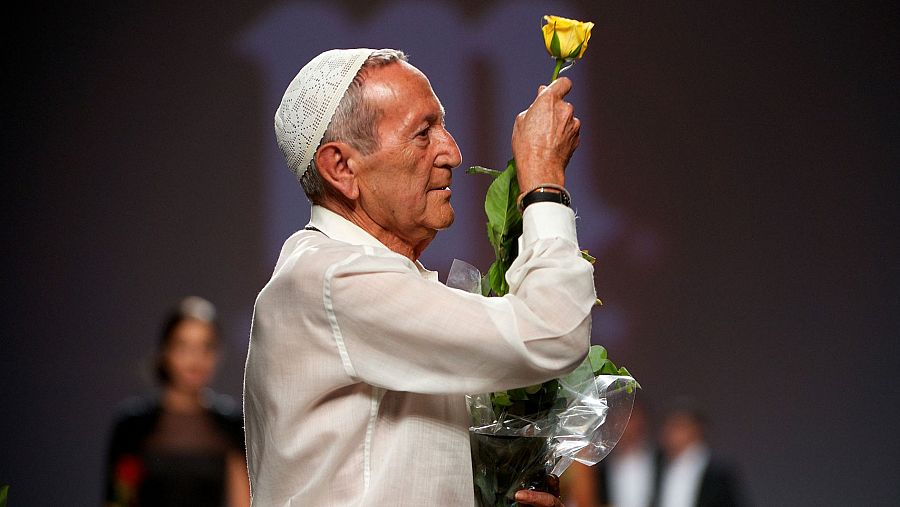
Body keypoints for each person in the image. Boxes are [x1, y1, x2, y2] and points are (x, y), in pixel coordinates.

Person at [243, 48, 593, 506]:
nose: (452, 151)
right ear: (341, 168)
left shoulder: (363, 277)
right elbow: (552, 330)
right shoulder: (331, 277)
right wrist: (543, 179)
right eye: (423, 132)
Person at [105, 296, 250, 507]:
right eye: (183, 347)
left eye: (206, 347)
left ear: (217, 355)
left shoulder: (231, 426)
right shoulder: (133, 426)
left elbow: (243, 501)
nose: (195, 359)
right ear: (166, 353)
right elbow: (118, 500)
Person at [563, 399, 660, 507]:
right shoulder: (599, 464)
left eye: (631, 418)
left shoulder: (661, 460)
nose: (626, 425)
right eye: (620, 418)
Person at [653, 398, 745, 507]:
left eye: (679, 425)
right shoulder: (656, 467)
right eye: (668, 426)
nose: (669, 432)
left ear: (698, 429)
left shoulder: (718, 476)